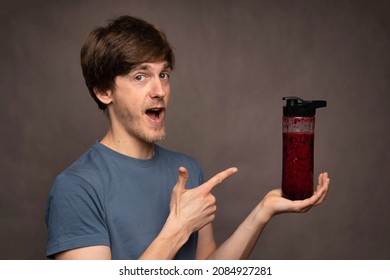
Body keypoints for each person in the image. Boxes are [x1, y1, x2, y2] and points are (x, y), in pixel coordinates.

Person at [45, 15, 330, 260]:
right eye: (140, 77)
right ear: (103, 91)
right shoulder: (76, 187)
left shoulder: (187, 170)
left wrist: (262, 212)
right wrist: (178, 228)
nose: (159, 90)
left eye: (164, 74)